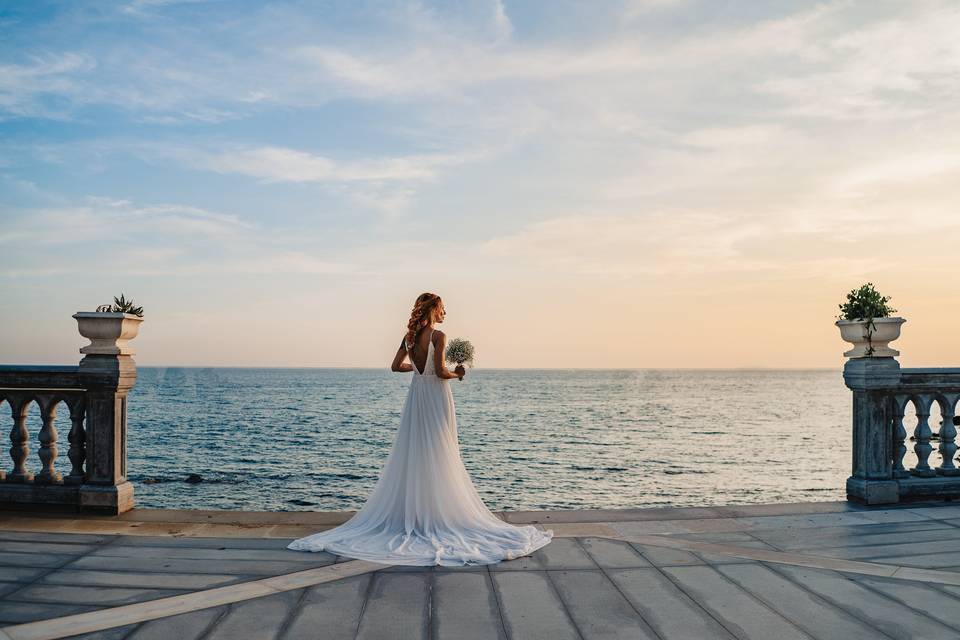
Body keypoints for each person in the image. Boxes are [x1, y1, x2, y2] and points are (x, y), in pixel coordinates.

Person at [288, 292, 553, 565]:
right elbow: (440, 372)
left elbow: (395, 366)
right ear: (433, 310)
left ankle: (419, 512)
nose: (444, 313)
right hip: (436, 396)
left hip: (417, 396)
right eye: (442, 309)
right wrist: (458, 373)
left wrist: (416, 369)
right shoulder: (438, 337)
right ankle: (438, 514)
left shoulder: (409, 338)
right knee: (440, 450)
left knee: (416, 450)